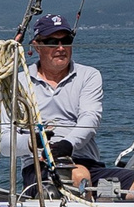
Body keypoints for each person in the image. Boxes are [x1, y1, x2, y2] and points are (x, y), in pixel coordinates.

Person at [23, 14, 104, 182]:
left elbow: (90, 118)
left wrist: (68, 144)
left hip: (88, 162)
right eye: (52, 42)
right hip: (40, 167)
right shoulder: (20, 82)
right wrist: (32, 143)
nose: (61, 48)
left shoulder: (89, 75)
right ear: (37, 46)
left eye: (66, 40)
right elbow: (4, 143)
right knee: (80, 176)